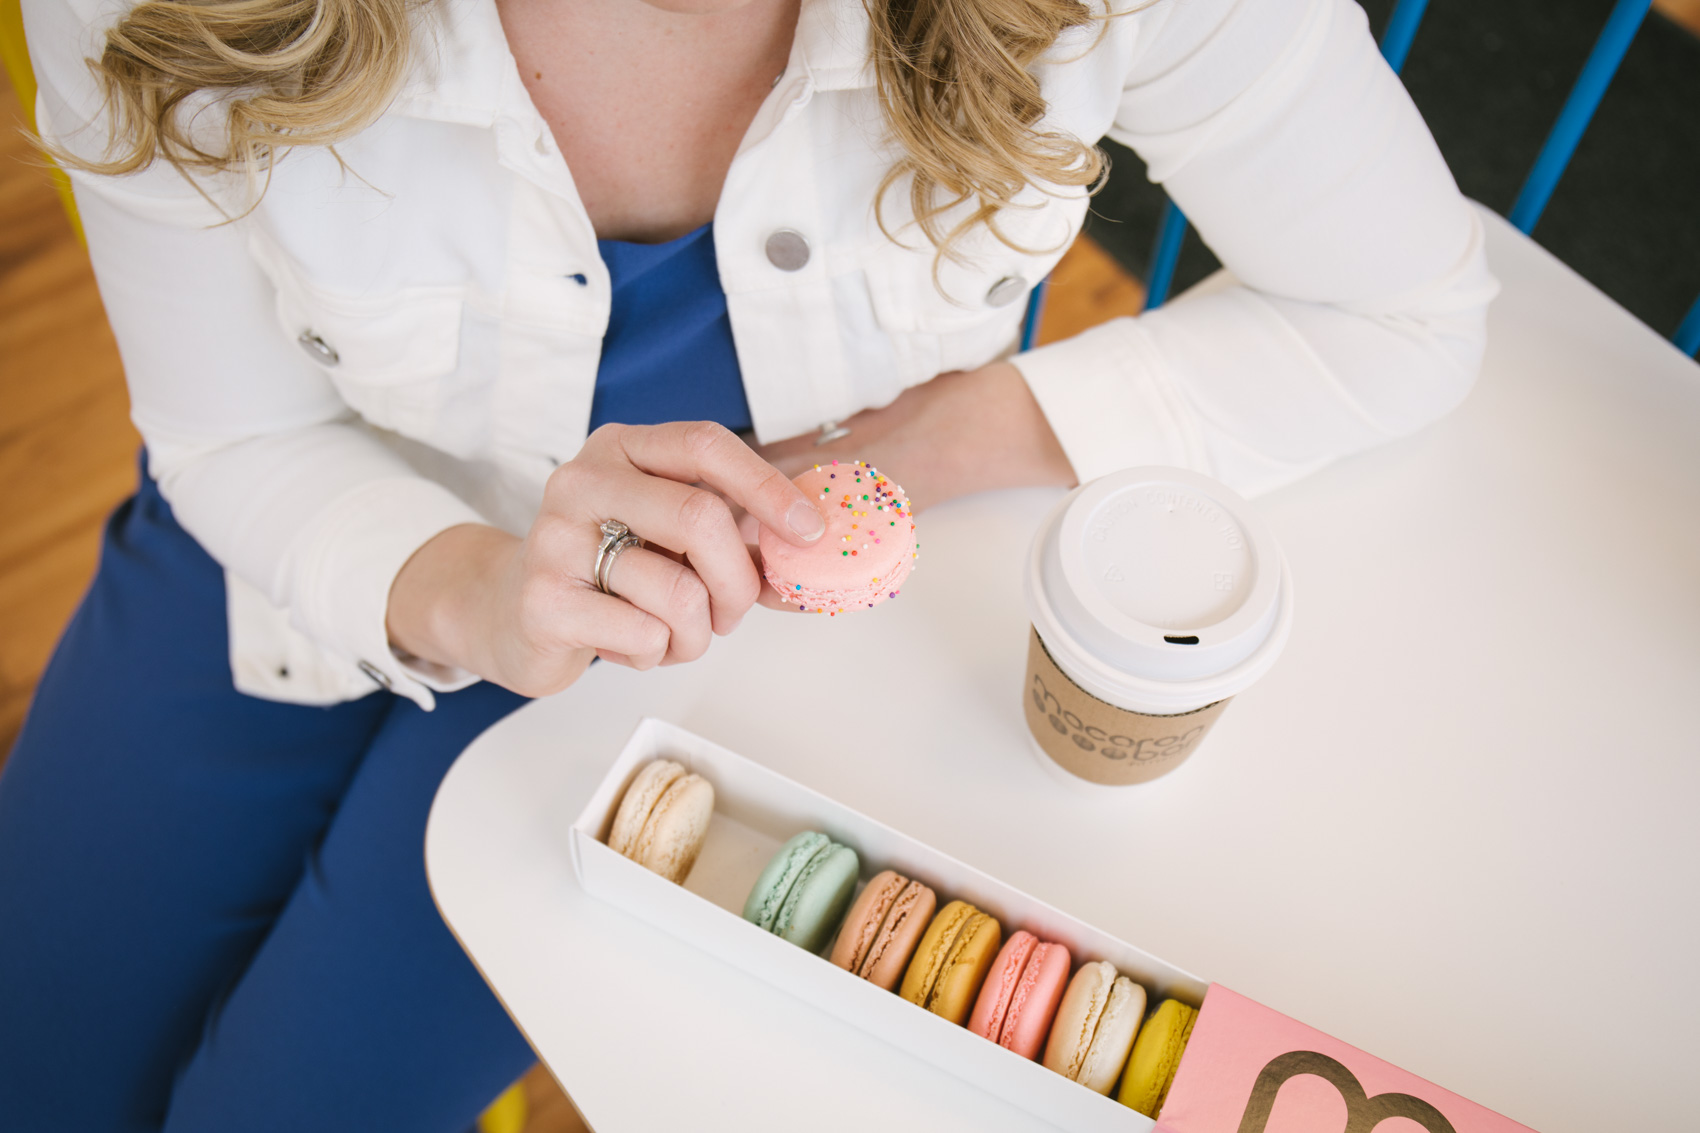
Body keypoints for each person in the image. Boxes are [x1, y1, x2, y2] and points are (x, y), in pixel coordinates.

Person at [0, 0, 1496, 1127]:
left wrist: (929, 440)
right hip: (290, 540)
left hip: (712, 651)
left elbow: (1403, 306)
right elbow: (239, 437)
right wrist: (476, 585)